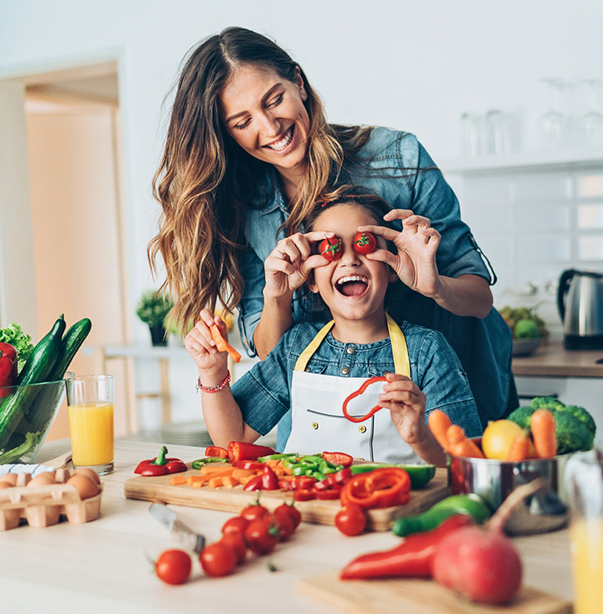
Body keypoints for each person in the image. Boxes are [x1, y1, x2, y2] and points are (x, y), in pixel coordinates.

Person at [149, 26, 516, 433]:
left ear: (299, 83)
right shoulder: (239, 206)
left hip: (437, 402)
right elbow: (276, 356)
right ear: (226, 134)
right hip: (323, 416)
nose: (270, 128)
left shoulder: (397, 158)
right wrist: (278, 297)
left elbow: (479, 299)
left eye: (274, 100)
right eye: (242, 121)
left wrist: (434, 286)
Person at [185, 191, 481, 467]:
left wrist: (420, 437)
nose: (350, 259)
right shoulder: (296, 346)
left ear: (391, 268)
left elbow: (465, 465)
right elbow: (231, 438)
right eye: (331, 249)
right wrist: (211, 372)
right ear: (310, 279)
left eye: (365, 244)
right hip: (304, 513)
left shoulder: (427, 350)